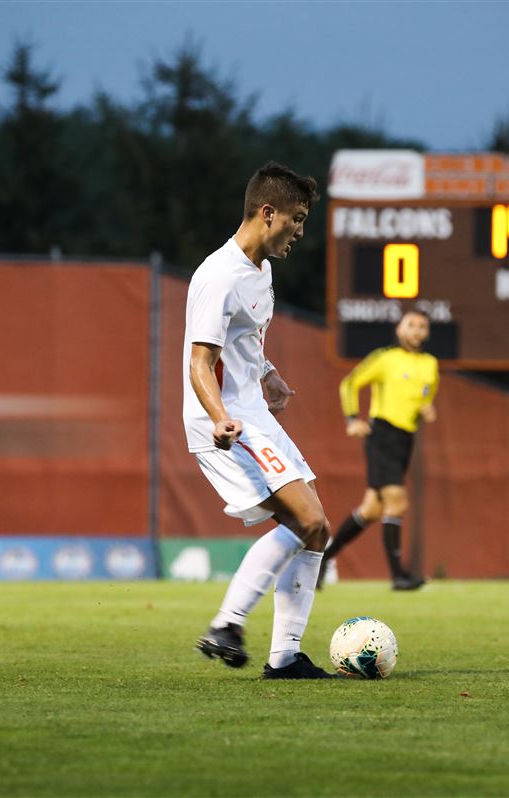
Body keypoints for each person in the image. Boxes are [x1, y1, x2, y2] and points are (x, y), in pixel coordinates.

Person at [187, 162, 334, 680]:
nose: (300, 230)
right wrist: (221, 418)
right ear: (267, 213)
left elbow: (242, 343)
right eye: (296, 218)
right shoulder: (219, 275)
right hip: (228, 422)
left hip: (252, 412)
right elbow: (199, 361)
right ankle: (227, 624)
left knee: (317, 530)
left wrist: (268, 373)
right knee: (307, 519)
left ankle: (286, 657)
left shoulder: (261, 271)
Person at [320, 311, 439, 591]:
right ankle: (399, 576)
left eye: (422, 326)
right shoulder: (385, 359)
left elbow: (425, 397)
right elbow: (349, 384)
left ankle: (322, 560)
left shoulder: (430, 365)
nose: (417, 330)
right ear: (399, 329)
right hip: (382, 434)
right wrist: (352, 419)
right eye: (411, 325)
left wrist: (426, 409)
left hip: (405, 439)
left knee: (372, 510)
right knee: (397, 502)